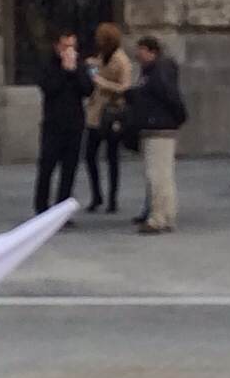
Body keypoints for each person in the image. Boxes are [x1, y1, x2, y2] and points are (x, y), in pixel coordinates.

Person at [127, 35, 185, 234]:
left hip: (158, 127)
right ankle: (167, 215)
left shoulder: (157, 72)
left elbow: (169, 96)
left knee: (156, 175)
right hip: (158, 126)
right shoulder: (153, 71)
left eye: (140, 49)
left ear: (151, 51)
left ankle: (157, 218)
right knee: (164, 174)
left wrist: (174, 117)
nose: (137, 53)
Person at [32, 30, 89, 216]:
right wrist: (64, 71)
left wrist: (74, 72)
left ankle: (62, 210)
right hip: (53, 123)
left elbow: (87, 89)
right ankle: (41, 207)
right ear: (57, 46)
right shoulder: (48, 65)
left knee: (70, 169)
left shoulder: (80, 65)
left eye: (72, 46)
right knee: (47, 166)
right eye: (65, 46)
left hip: (75, 124)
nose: (69, 50)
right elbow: (49, 88)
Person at [83, 21, 133, 216]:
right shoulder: (103, 55)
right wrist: (92, 65)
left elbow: (125, 86)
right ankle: (97, 195)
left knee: (112, 157)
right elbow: (98, 69)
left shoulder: (121, 60)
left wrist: (102, 82)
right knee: (89, 155)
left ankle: (112, 198)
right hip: (96, 112)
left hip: (112, 112)